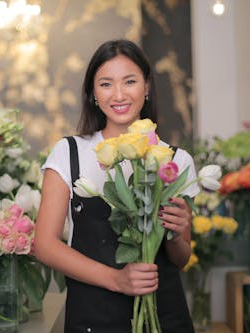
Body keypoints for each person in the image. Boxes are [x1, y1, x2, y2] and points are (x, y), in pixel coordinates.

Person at [34, 39, 200, 333]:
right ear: (93, 93)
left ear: (146, 87)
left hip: (164, 318)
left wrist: (175, 234)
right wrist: (117, 279)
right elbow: (45, 245)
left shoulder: (175, 159)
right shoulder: (69, 153)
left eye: (130, 81)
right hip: (92, 318)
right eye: (106, 84)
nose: (119, 94)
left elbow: (181, 258)